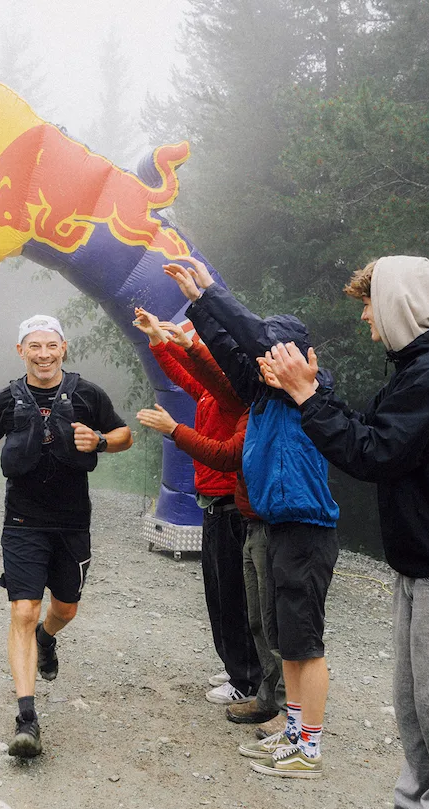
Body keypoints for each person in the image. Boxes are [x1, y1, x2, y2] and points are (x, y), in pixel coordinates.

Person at [261, 256, 429, 809]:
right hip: (420, 568)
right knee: (415, 710)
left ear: (398, 304)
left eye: (371, 302)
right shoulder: (414, 373)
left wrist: (308, 394)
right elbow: (367, 434)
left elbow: (374, 454)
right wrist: (313, 398)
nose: (366, 315)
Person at [166, 257, 339, 780]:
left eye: (272, 353)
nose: (263, 362)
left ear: (298, 356)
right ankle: (292, 731)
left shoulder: (310, 390)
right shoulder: (263, 392)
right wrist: (198, 306)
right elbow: (232, 352)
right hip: (274, 525)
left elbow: (249, 334)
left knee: (304, 643)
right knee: (283, 637)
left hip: (305, 528)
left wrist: (212, 291)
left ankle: (308, 745)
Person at [0, 314, 132, 758]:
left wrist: (98, 441)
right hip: (22, 522)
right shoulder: (6, 399)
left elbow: (124, 435)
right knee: (23, 609)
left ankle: (48, 637)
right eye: (34, 346)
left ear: (64, 348)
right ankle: (27, 719)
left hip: (72, 523)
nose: (43, 354)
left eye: (50, 345)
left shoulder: (87, 394)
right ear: (20, 351)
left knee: (66, 607)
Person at [133, 314, 287, 730]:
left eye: (197, 339)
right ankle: (236, 667)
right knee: (219, 596)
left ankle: (246, 679)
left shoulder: (235, 394)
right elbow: (185, 375)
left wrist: (174, 428)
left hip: (232, 505)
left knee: (236, 599)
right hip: (213, 504)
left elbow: (221, 451)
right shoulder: (209, 393)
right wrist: (157, 342)